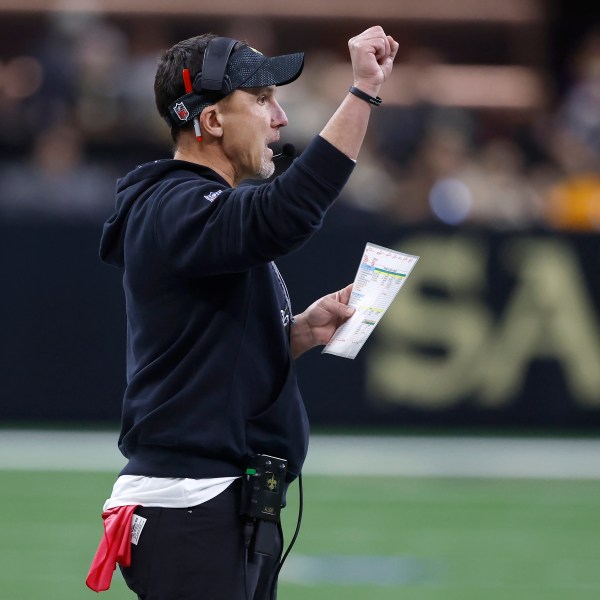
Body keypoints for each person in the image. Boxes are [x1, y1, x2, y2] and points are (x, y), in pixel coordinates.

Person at [87, 25, 398, 600]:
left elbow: (206, 350)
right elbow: (287, 212)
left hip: (221, 502)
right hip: (190, 505)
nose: (280, 118)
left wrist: (296, 334)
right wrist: (361, 94)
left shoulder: (191, 214)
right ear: (210, 121)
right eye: (260, 100)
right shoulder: (174, 204)